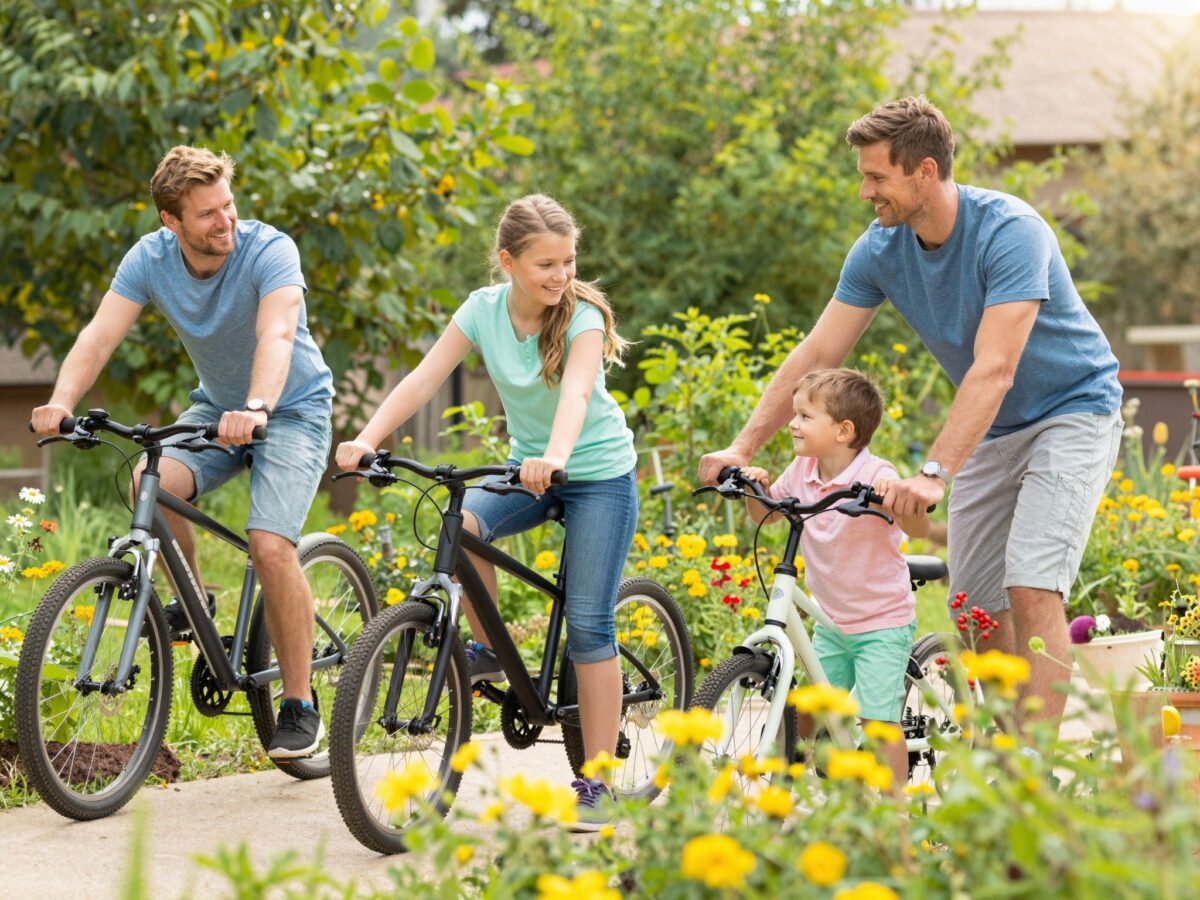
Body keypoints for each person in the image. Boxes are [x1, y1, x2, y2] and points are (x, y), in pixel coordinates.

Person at [700, 96, 1123, 732]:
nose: (865, 191)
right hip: (995, 428)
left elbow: (995, 369)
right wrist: (743, 447)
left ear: (925, 171)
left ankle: (1034, 770)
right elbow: (818, 353)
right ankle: (1007, 748)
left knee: (1033, 583)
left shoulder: (1011, 231)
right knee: (972, 604)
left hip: (1073, 410)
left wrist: (933, 472)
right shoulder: (880, 249)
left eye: (877, 176)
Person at [335, 194, 638, 829]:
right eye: (546, 264)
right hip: (529, 469)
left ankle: (599, 782)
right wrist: (366, 438)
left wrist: (556, 455)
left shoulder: (581, 316)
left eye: (568, 261)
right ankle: (490, 648)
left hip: (597, 474)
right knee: (463, 526)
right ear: (508, 261)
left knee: (588, 626)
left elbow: (578, 391)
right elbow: (423, 378)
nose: (561, 275)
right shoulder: (482, 310)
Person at [31, 146, 335, 759]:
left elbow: (277, 333)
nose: (225, 221)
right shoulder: (149, 259)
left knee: (269, 545)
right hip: (216, 409)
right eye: (207, 214)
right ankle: (195, 602)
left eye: (228, 205)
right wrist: (61, 400)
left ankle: (299, 702)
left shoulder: (270, 250)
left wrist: (257, 407)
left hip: (291, 410)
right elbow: (100, 335)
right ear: (171, 221)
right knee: (150, 482)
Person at [739, 368, 929, 788]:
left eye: (805, 416)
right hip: (831, 621)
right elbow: (768, 515)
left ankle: (895, 813)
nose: (793, 424)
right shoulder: (802, 468)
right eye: (795, 414)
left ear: (844, 431)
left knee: (878, 722)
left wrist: (901, 497)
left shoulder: (877, 473)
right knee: (808, 711)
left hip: (881, 622)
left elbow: (918, 529)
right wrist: (758, 489)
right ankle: (780, 790)